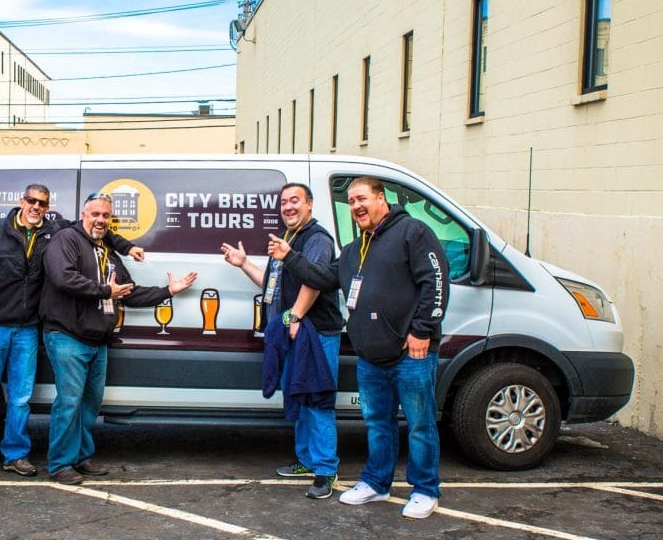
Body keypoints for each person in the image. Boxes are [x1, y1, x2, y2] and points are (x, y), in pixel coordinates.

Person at [0, 184, 143, 480]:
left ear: (48, 207)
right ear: (21, 201)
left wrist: (127, 246)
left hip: (29, 327)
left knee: (20, 397)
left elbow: (97, 227)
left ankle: (15, 455)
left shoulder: (53, 231)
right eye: (31, 200)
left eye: (42, 203)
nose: (36, 207)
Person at [39, 193, 197, 485]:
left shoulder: (107, 251)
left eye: (106, 216)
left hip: (97, 340)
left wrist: (168, 291)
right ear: (84, 214)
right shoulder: (66, 240)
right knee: (69, 403)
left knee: (89, 405)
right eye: (95, 214)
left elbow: (128, 292)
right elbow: (63, 278)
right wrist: (104, 291)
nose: (101, 220)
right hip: (67, 336)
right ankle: (60, 464)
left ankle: (81, 458)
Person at [335, 177, 449, 519]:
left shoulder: (412, 232)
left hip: (411, 354)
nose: (356, 206)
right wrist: (289, 257)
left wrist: (421, 330)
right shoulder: (356, 249)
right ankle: (376, 483)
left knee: (419, 424)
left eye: (361, 198)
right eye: (351, 201)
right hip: (371, 358)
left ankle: (426, 489)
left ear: (381, 199)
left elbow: (436, 280)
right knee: (377, 424)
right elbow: (326, 276)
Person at [221, 183, 344, 500]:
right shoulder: (287, 238)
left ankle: (325, 470)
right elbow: (271, 284)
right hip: (295, 331)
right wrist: (244, 263)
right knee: (300, 398)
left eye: (295, 201)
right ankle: (305, 460)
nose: (289, 207)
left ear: (310, 205)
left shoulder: (316, 238)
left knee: (316, 400)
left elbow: (314, 279)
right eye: (284, 202)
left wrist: (295, 317)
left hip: (314, 333)